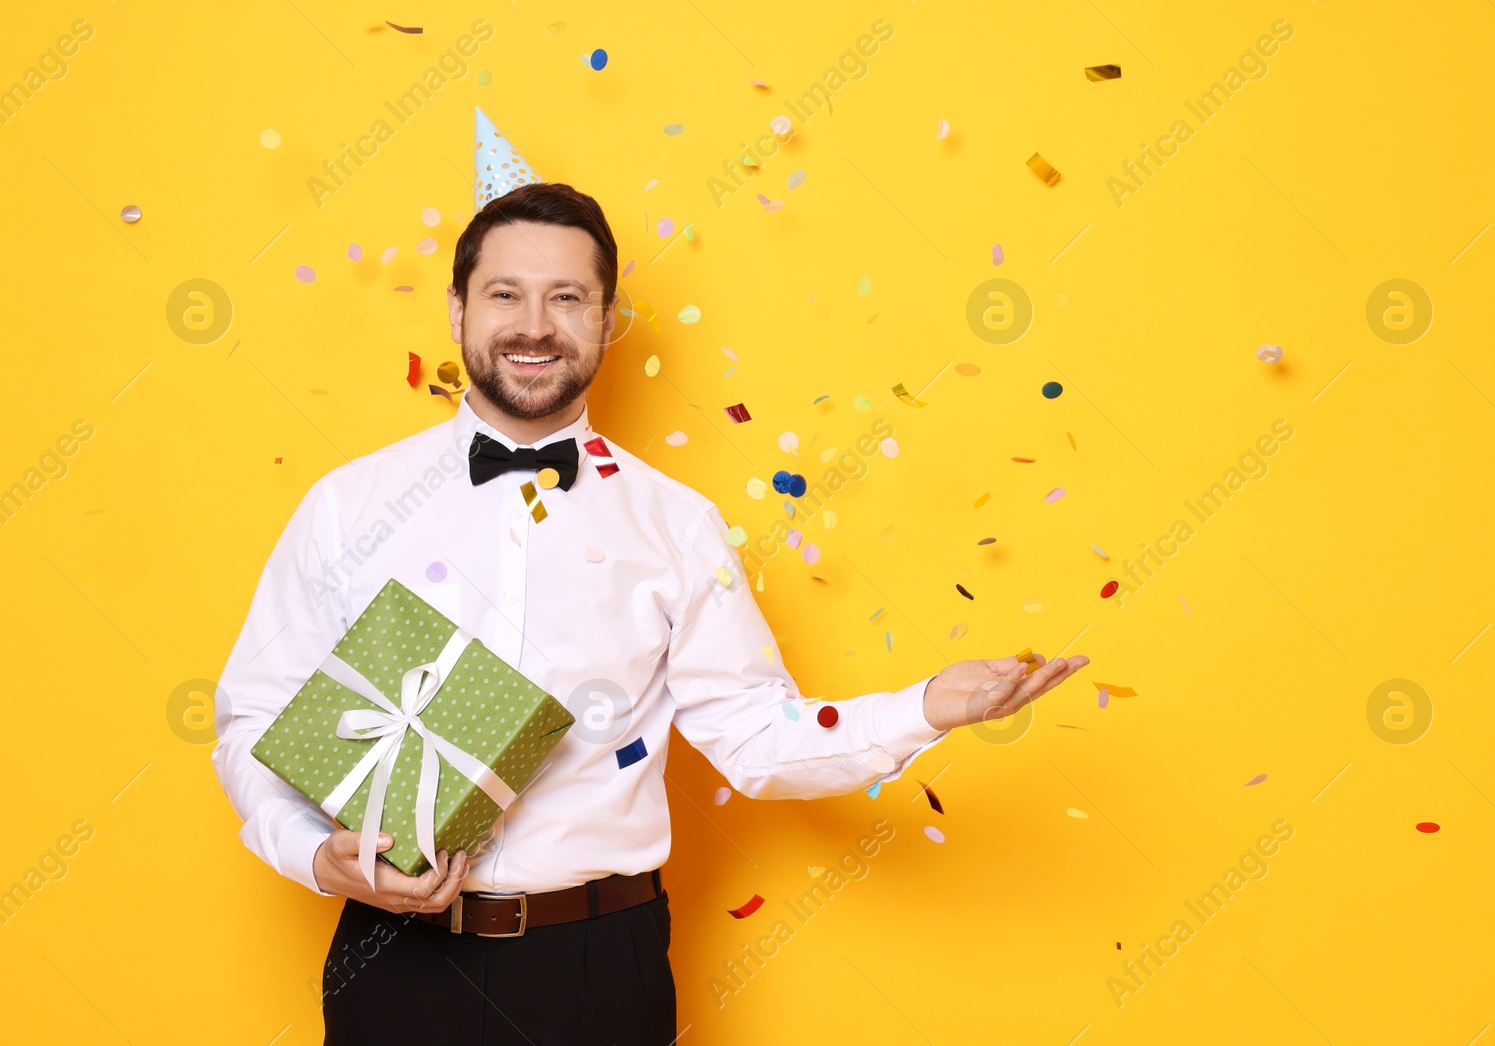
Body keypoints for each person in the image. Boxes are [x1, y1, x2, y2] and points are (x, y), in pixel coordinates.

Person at [213, 168, 1089, 1043]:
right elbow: (254, 715)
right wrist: (317, 857)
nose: (533, 325)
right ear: (457, 310)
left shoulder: (676, 524)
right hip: (393, 961)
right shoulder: (348, 505)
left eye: (567, 297)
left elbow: (754, 734)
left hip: (599, 965)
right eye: (505, 294)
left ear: (607, 319)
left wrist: (926, 706)